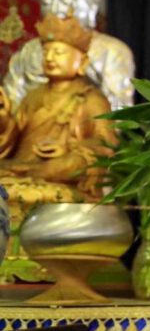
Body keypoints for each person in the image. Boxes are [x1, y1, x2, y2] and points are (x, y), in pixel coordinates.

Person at [0, 13, 115, 197]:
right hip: (23, 163)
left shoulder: (92, 99)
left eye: (58, 52)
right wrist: (4, 118)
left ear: (82, 62)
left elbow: (106, 143)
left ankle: (32, 175)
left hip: (60, 166)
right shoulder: (33, 95)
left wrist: (68, 147)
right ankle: (27, 175)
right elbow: (14, 137)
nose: (49, 58)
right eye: (46, 52)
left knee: (74, 163)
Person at [4, 0, 135, 110]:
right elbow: (12, 100)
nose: (55, 10)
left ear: (92, 9)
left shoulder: (111, 51)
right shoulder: (30, 50)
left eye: (66, 2)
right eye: (47, 2)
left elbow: (120, 110)